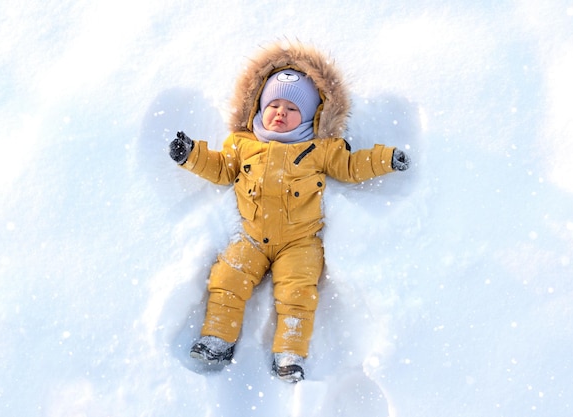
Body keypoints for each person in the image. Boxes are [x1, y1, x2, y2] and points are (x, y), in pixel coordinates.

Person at [168, 41, 410, 382]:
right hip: (251, 237)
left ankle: (290, 352)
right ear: (259, 108)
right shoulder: (243, 145)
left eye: (292, 108)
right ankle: (217, 338)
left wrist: (385, 159)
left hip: (299, 242)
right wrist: (191, 155)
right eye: (274, 105)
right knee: (227, 279)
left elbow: (351, 166)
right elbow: (221, 169)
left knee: (297, 293)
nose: (281, 113)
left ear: (311, 116)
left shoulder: (320, 149)